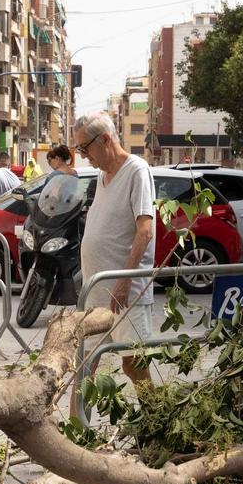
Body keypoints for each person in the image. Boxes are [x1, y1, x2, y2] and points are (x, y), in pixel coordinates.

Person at [72, 111, 155, 395]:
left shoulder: (136, 171)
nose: (83, 155)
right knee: (84, 366)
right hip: (96, 290)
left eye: (85, 148)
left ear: (105, 140)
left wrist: (124, 281)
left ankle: (158, 417)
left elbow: (145, 231)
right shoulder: (102, 176)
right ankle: (76, 423)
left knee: (134, 365)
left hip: (125, 295)